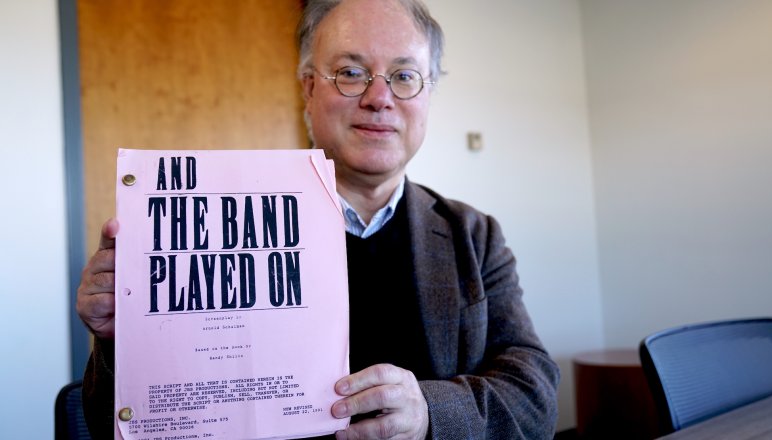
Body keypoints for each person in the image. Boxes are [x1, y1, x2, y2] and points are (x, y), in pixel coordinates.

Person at [77, 0, 560, 438]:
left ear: (427, 94)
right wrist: (122, 339)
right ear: (309, 88)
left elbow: (534, 397)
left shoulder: (474, 236)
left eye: (405, 75)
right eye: (351, 72)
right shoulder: (213, 227)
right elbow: (109, 423)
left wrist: (431, 411)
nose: (379, 97)